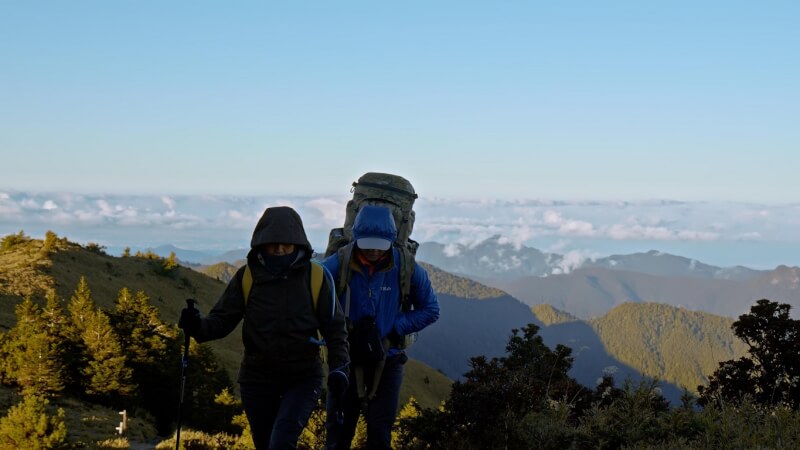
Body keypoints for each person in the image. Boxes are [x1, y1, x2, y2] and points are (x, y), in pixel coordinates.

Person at [179, 206, 349, 450]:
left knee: (281, 443)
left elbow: (335, 329)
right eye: (273, 243)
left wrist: (339, 368)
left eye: (286, 243)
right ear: (262, 243)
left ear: (298, 243)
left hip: (302, 378)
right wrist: (196, 325)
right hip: (257, 379)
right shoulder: (247, 277)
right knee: (265, 444)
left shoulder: (316, 277)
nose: (279, 249)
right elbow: (221, 322)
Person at [323, 205, 440, 450]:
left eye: (380, 244)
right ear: (356, 240)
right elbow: (313, 295)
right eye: (367, 244)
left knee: (380, 433)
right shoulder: (339, 263)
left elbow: (431, 309)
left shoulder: (406, 267)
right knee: (339, 432)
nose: (374, 250)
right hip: (346, 359)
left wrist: (394, 326)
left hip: (389, 359)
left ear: (391, 241)